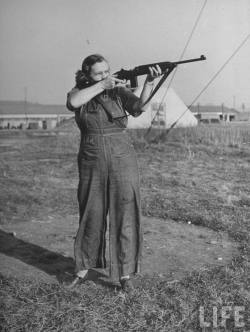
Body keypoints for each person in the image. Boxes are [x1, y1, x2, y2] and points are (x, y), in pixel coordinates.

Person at [66, 54, 161, 291]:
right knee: (91, 211)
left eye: (107, 71)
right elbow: (73, 103)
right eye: (98, 73)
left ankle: (125, 274)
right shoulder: (79, 92)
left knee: (126, 211)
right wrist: (101, 85)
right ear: (86, 74)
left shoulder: (117, 92)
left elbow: (139, 107)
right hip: (92, 155)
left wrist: (149, 83)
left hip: (122, 155)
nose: (105, 76)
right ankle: (83, 269)